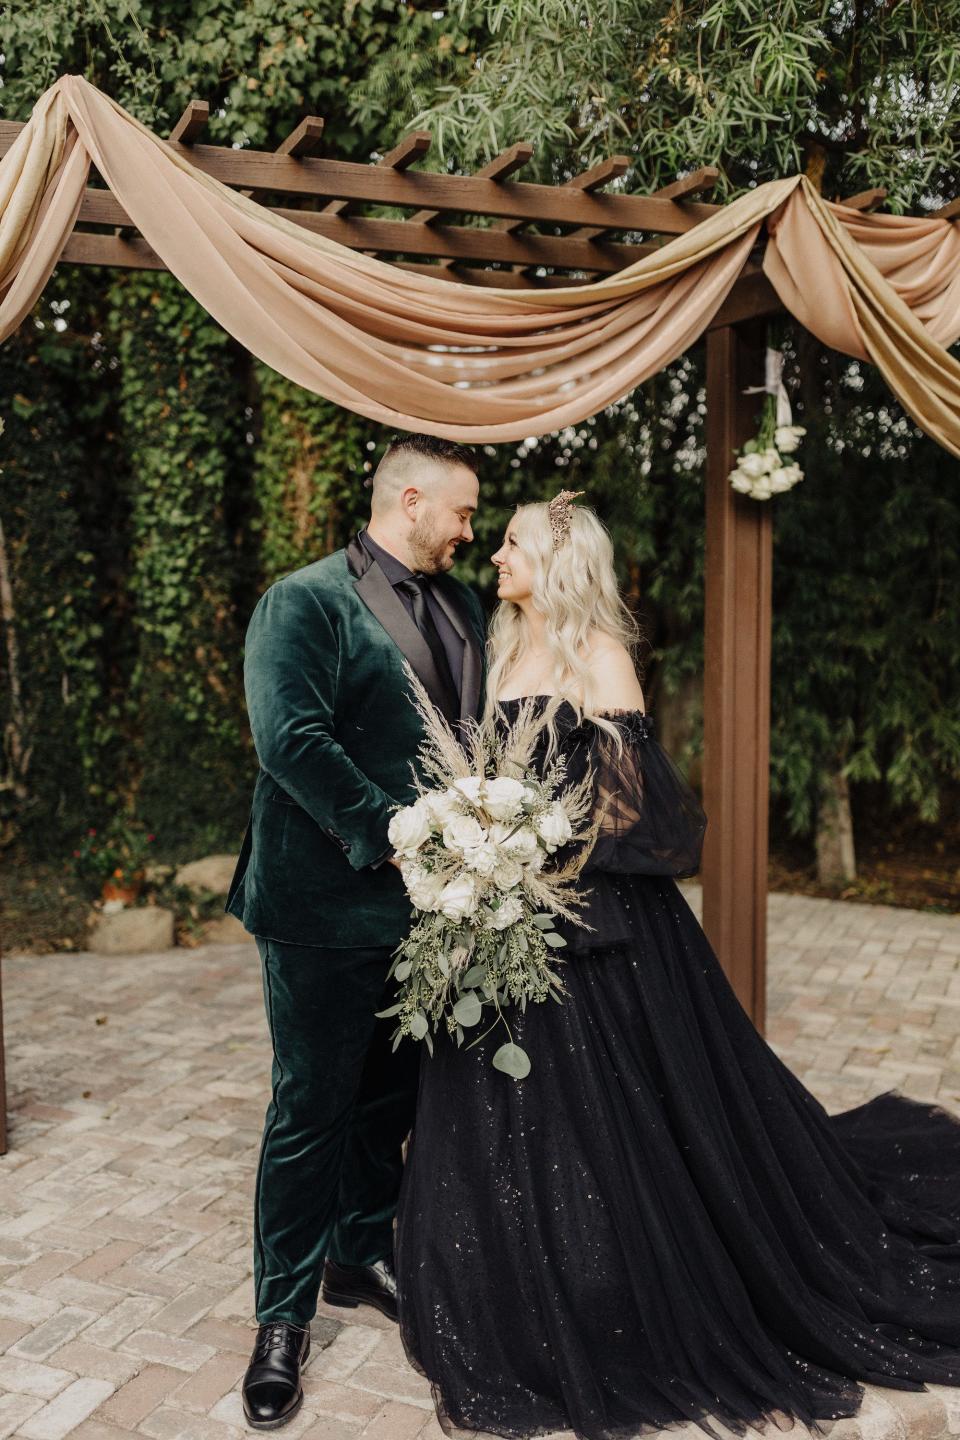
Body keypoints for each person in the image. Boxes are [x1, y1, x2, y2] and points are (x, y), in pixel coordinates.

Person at [394, 489, 960, 1440]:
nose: (494, 556)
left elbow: (631, 810)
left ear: (560, 562)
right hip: (505, 912)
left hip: (598, 917)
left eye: (512, 543)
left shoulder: (600, 658)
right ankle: (528, 1265)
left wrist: (528, 854)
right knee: (506, 1099)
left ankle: (621, 1269)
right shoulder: (502, 651)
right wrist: (469, 844)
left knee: (626, 1114)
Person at [224, 433, 487, 1431]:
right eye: (460, 513)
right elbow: (289, 739)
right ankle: (281, 1321)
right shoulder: (302, 601)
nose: (470, 530)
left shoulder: (462, 605)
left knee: (392, 1096)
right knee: (310, 1112)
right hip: (320, 907)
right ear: (410, 500)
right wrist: (396, 833)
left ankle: (359, 1251)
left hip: (433, 912)